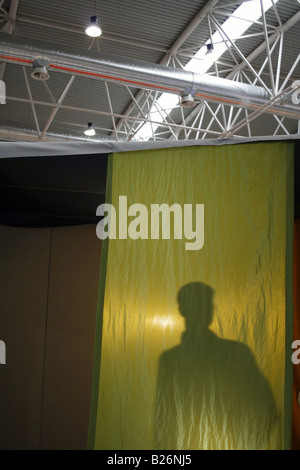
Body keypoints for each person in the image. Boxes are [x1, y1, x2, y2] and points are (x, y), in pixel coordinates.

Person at [154, 282, 278, 450]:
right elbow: (163, 421)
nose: (204, 309)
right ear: (183, 309)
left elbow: (266, 408)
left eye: (207, 304)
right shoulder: (170, 361)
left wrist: (246, 444)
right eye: (198, 304)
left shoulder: (237, 354)